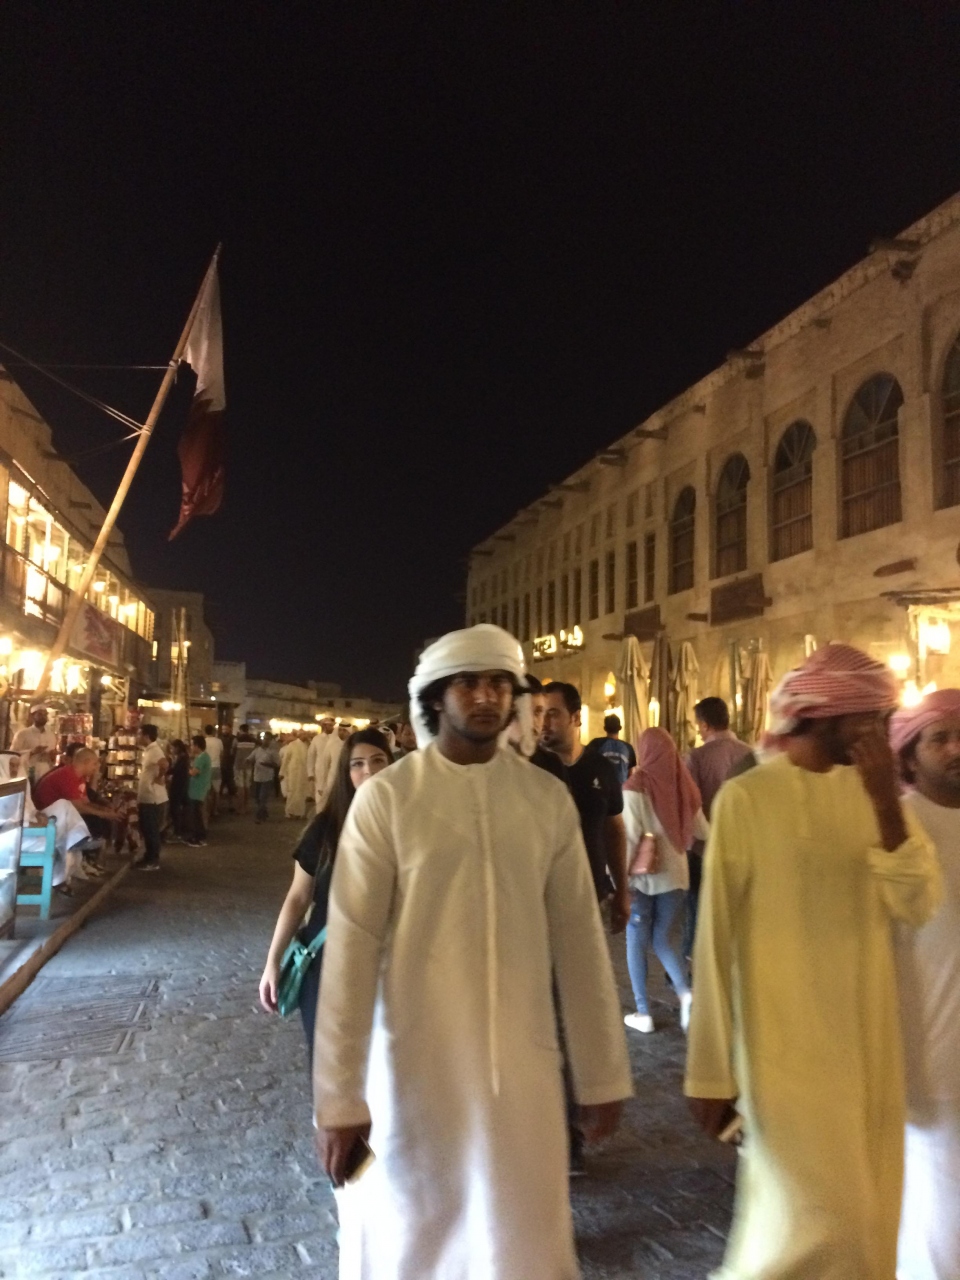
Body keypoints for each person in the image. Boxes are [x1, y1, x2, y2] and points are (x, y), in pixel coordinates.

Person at [313, 624, 632, 1279]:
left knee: (518, 1242)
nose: (485, 697)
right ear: (437, 696)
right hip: (412, 1069)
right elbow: (350, 950)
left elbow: (580, 942)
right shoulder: (388, 800)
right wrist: (340, 1101)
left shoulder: (544, 799)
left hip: (522, 1072)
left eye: (498, 684)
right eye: (468, 684)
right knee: (414, 1240)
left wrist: (601, 1076)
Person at [685, 643, 942, 1280]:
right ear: (827, 717)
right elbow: (714, 941)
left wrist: (885, 802)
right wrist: (710, 1072)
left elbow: (917, 903)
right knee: (815, 1224)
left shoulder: (881, 800)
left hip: (868, 1049)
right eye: (871, 720)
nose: (881, 735)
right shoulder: (748, 798)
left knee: (869, 1220)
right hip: (782, 1053)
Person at [259, 729, 394, 1058]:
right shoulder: (326, 827)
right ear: (346, 773)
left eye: (378, 760)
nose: (369, 771)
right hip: (327, 964)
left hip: (388, 965)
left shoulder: (409, 826)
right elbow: (298, 897)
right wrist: (272, 962)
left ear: (392, 765)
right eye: (357, 764)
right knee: (330, 1061)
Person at [889, 689, 960, 1280]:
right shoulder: (897, 827)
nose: (957, 748)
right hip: (933, 1060)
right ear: (909, 754)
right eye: (941, 738)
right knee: (942, 1229)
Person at [622, 727, 707, 1034]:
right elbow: (703, 831)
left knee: (636, 937)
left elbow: (631, 839)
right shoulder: (683, 785)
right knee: (663, 939)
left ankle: (643, 1011)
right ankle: (686, 994)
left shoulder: (635, 787)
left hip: (644, 878)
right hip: (677, 877)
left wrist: (620, 881)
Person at [540, 681, 630, 931]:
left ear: (576, 717)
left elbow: (614, 831)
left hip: (591, 896)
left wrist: (622, 890)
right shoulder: (532, 769)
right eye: (539, 713)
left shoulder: (601, 767)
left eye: (553, 713)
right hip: (541, 900)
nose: (543, 722)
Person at [682, 695, 753, 962]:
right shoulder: (750, 754)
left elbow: (690, 805)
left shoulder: (697, 757)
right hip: (744, 845)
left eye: (698, 725)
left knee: (699, 911)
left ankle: (695, 964)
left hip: (704, 849)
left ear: (704, 724)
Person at [0, 751, 104, 889]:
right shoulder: (3, 787)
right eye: (11, 766)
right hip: (13, 837)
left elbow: (30, 808)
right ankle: (57, 881)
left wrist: (38, 815)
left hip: (31, 828)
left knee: (64, 805)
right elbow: (5, 820)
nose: (14, 769)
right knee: (64, 844)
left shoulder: (20, 784)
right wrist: (32, 824)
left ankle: (80, 839)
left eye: (16, 766)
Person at [136, 724, 168, 871]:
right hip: (148, 797)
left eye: (139, 734)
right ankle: (148, 857)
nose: (137, 737)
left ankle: (153, 860)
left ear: (146, 736)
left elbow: (164, 764)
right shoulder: (149, 750)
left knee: (151, 830)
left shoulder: (154, 750)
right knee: (147, 829)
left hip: (153, 798)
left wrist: (160, 777)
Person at [585, 713, 637, 786]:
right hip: (621, 790)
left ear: (605, 728)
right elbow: (630, 774)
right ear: (620, 728)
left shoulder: (595, 744)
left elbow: (587, 767)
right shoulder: (628, 748)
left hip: (601, 789)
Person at [11, 704, 58, 781]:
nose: (43, 716)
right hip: (27, 772)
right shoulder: (22, 734)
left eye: (45, 714)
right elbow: (13, 755)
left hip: (45, 773)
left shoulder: (51, 735)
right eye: (40, 714)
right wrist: (32, 752)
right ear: (32, 716)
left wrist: (52, 755)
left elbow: (52, 759)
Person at [307, 717, 341, 809]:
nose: (331, 727)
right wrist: (310, 773)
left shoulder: (336, 739)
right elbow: (311, 756)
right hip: (320, 771)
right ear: (324, 726)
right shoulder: (317, 739)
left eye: (332, 725)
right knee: (320, 794)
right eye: (329, 725)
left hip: (333, 770)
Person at [186, 735, 211, 846]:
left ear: (197, 746)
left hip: (197, 790)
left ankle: (197, 838)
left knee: (196, 816)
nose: (191, 747)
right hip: (198, 789)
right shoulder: (204, 756)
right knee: (197, 815)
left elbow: (194, 772)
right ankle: (199, 836)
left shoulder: (201, 758)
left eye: (192, 745)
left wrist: (187, 769)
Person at [279, 731, 310, 819]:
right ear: (300, 735)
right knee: (292, 792)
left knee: (301, 793)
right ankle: (290, 812)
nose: (306, 736)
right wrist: (282, 772)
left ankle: (299, 813)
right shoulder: (292, 745)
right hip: (293, 773)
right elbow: (286, 759)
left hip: (303, 773)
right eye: (305, 735)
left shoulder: (306, 746)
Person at [166, 739, 190, 841]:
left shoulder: (182, 758)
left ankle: (177, 832)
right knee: (176, 809)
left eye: (173, 748)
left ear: (178, 748)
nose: (172, 750)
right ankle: (178, 830)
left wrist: (165, 771)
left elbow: (176, 770)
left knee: (175, 809)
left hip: (178, 786)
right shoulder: (182, 757)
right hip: (180, 785)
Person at [250, 736, 276, 824]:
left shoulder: (272, 752)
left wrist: (267, 764)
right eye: (265, 739)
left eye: (268, 739)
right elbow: (250, 758)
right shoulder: (257, 750)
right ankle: (264, 813)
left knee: (262, 797)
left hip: (267, 777)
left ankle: (259, 817)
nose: (266, 741)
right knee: (257, 798)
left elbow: (277, 764)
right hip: (257, 777)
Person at [233, 724, 257, 814]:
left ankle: (241, 807)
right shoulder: (253, 740)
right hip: (249, 765)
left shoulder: (237, 739)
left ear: (241, 730)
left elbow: (233, 750)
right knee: (247, 786)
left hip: (239, 765)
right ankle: (246, 807)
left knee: (240, 787)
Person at [203, 725, 222, 820]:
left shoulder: (204, 742)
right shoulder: (219, 741)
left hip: (206, 768)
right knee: (216, 791)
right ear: (214, 731)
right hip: (216, 767)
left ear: (205, 731)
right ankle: (215, 810)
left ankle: (207, 810)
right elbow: (221, 754)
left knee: (206, 791)